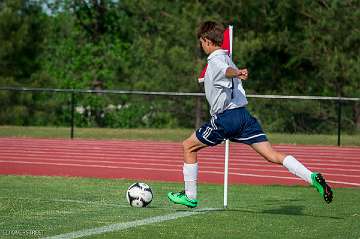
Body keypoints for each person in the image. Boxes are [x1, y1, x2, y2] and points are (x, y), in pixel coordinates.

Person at [167, 21, 333, 208]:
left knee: (188, 146)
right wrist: (234, 71)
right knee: (272, 155)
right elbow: (227, 71)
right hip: (244, 117)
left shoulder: (216, 60)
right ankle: (312, 177)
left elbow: (226, 71)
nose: (201, 46)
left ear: (206, 40)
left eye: (201, 42)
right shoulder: (228, 57)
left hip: (226, 118)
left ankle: (190, 196)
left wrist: (236, 73)